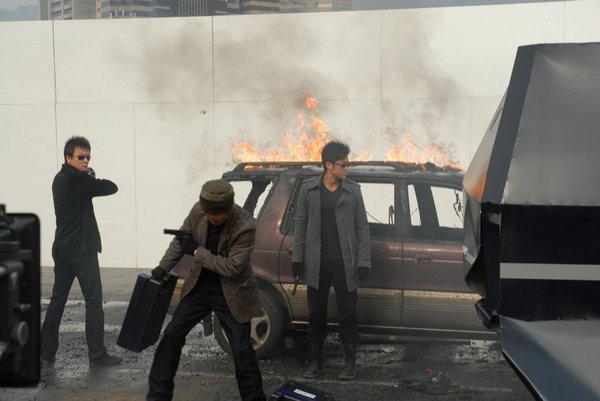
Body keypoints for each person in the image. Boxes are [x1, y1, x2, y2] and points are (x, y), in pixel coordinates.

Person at [147, 179, 266, 401]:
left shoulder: (245, 225)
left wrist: (197, 252)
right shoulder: (198, 211)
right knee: (171, 336)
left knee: (242, 351)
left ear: (229, 210)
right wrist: (163, 267)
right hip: (200, 287)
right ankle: (157, 396)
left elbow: (232, 267)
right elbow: (180, 241)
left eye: (218, 215)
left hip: (232, 293)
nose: (213, 219)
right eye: (209, 213)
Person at [292, 140, 371, 381]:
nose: (347, 168)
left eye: (348, 164)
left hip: (345, 264)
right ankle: (315, 362)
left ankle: (349, 364)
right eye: (343, 164)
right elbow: (300, 223)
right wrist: (298, 257)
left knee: (348, 315)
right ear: (328, 165)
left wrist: (363, 260)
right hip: (317, 264)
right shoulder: (308, 189)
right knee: (316, 316)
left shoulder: (353, 191)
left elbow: (362, 226)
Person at [41, 136, 121, 367]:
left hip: (62, 248)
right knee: (94, 302)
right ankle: (97, 355)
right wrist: (90, 176)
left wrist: (87, 176)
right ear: (68, 157)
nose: (86, 161)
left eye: (88, 157)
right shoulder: (79, 181)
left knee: (57, 301)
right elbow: (111, 187)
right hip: (82, 251)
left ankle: (45, 353)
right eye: (81, 157)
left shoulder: (59, 179)